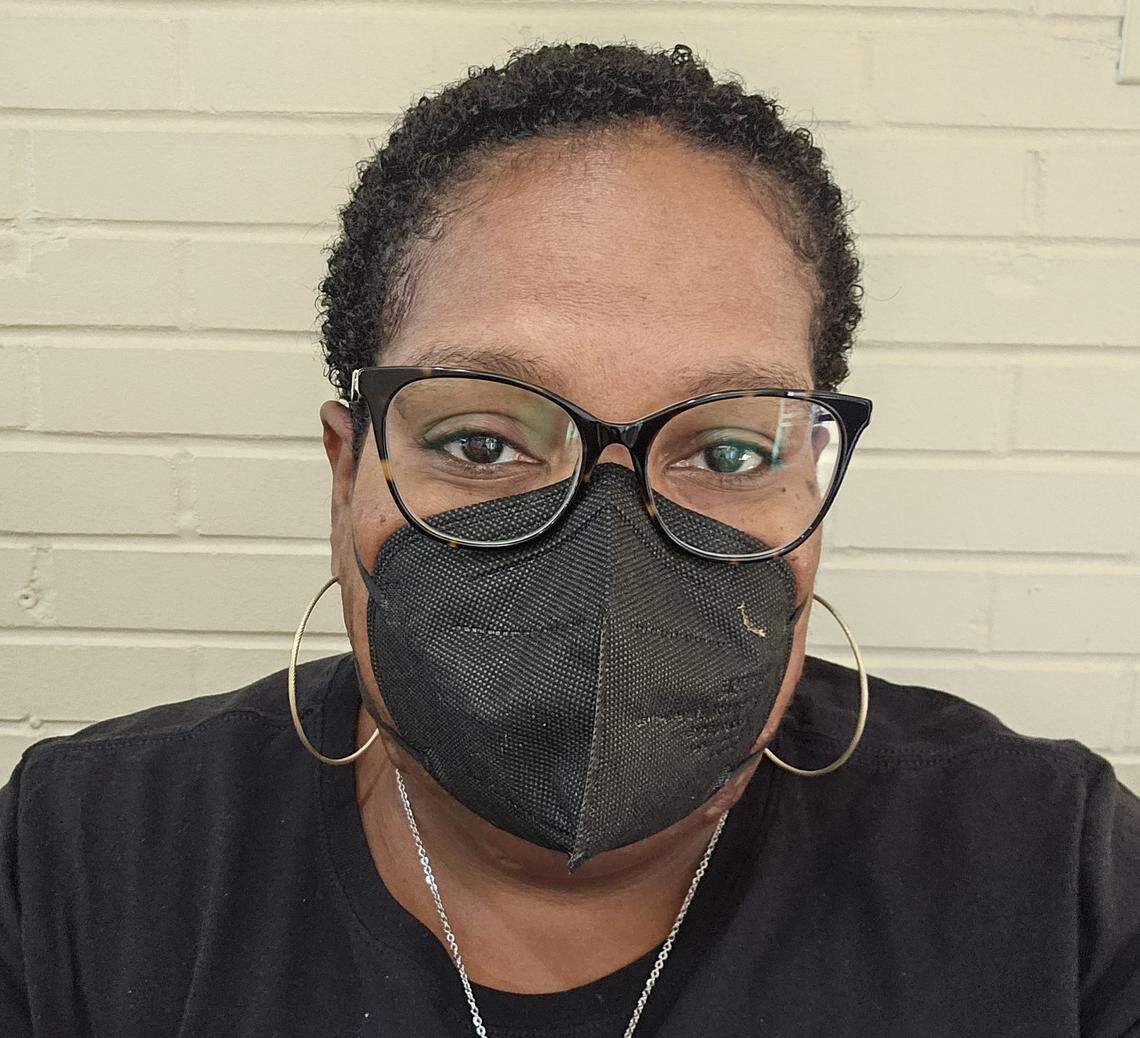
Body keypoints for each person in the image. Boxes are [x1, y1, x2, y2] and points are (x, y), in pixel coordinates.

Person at [1, 41, 1137, 1038]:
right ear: (347, 475)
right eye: (485, 441)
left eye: (730, 450)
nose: (607, 554)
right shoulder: (90, 860)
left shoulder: (1058, 881)